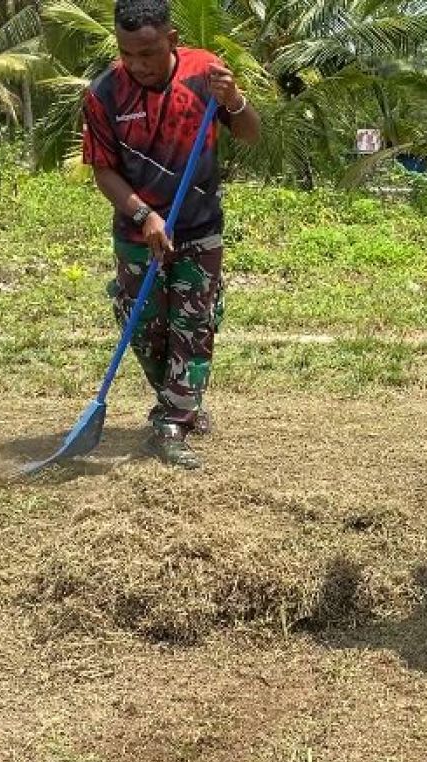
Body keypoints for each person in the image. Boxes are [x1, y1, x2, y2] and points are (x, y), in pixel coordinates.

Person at [81, 0, 261, 469]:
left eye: (148, 53)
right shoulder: (105, 94)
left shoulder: (206, 74)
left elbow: (250, 134)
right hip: (137, 230)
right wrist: (145, 217)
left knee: (193, 323)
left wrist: (234, 101)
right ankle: (182, 395)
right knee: (144, 325)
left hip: (199, 227)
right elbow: (104, 172)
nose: (137, 65)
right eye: (127, 54)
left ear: (172, 40)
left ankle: (172, 421)